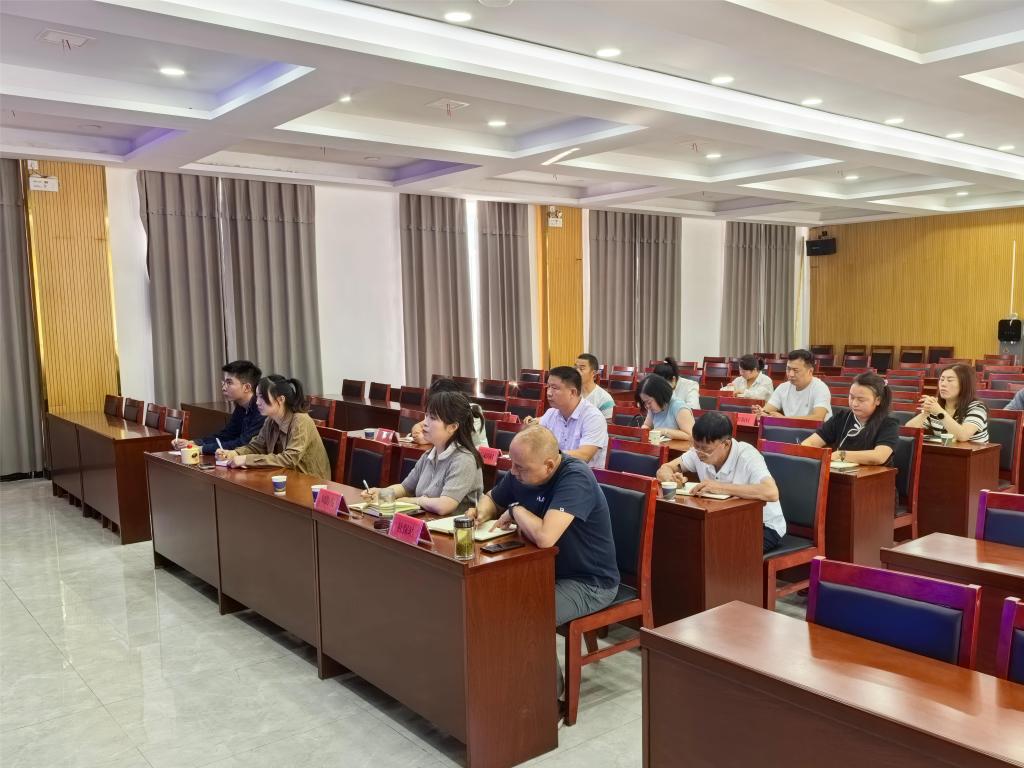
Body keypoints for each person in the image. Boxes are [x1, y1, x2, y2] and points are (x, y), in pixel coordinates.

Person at [468, 426, 618, 705]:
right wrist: (480, 512)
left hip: (589, 582)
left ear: (549, 465)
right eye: (512, 464)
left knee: (527, 617)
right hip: (543, 571)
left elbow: (546, 537)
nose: (513, 472)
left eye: (520, 468)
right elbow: (493, 498)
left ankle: (549, 701)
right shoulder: (523, 470)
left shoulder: (575, 478)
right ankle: (503, 688)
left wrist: (516, 510)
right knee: (485, 600)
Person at [656, 412, 786, 552]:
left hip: (762, 525)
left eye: (705, 449)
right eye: (696, 446)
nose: (699, 453)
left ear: (726, 444)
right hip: (725, 522)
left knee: (719, 552)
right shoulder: (697, 452)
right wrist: (671, 479)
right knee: (683, 541)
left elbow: (771, 492)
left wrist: (721, 488)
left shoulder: (747, 455)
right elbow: (665, 469)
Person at [363, 391, 483, 516]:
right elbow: (405, 488)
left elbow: (444, 506)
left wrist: (416, 501)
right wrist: (381, 493)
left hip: (451, 526)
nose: (425, 423)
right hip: (426, 521)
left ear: (452, 427)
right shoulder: (429, 455)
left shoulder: (464, 460)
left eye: (433, 418)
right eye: (426, 416)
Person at [216, 375, 331, 479]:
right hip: (286, 477)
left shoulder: (300, 420)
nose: (257, 402)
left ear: (281, 399)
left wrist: (246, 460)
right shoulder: (270, 420)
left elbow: (289, 459)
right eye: (257, 397)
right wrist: (233, 453)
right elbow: (256, 447)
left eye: (262, 397)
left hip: (311, 483)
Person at [802, 372, 899, 465]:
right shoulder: (841, 417)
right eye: (852, 397)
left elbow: (879, 457)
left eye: (861, 400)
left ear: (878, 400)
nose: (854, 404)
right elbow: (810, 442)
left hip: (871, 474)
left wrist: (841, 455)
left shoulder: (888, 423)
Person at [171, 360, 265, 454]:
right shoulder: (241, 407)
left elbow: (243, 444)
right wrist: (193, 443)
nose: (223, 388)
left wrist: (201, 449)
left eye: (229, 383)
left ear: (247, 387)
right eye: (224, 382)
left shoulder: (261, 409)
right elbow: (227, 435)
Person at [524, 366, 609, 468]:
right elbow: (537, 441)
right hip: (555, 469)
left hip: (583, 473)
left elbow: (584, 455)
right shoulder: (551, 413)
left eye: (554, 388)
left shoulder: (593, 417)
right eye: (548, 386)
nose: (548, 393)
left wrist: (548, 455)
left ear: (572, 392)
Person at [905, 363, 989, 443]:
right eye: (942, 379)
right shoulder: (936, 405)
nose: (943, 384)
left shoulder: (977, 407)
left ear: (964, 384)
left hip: (973, 452)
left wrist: (939, 412)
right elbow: (908, 432)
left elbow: (963, 436)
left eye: (950, 380)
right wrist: (925, 413)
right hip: (945, 451)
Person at [753, 349, 831, 421]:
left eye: (795, 370)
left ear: (810, 371)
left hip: (815, 431)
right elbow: (767, 411)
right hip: (789, 429)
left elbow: (818, 418)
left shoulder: (820, 388)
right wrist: (761, 412)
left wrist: (784, 419)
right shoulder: (783, 387)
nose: (790, 374)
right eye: (788, 369)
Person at [410, 378, 487, 447]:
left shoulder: (472, 410)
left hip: (477, 455)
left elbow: (457, 439)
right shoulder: (441, 412)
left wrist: (427, 439)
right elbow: (420, 426)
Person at [637, 374, 694, 440]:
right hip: (660, 445)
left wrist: (663, 431)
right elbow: (647, 425)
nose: (647, 406)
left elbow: (690, 435)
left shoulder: (680, 407)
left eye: (649, 402)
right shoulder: (653, 408)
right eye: (644, 402)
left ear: (659, 396)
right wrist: (644, 429)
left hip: (680, 446)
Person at [575, 353, 614, 421]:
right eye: (575, 368)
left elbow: (608, 425)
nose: (576, 371)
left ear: (593, 373)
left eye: (581, 368)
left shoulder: (604, 399)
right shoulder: (570, 393)